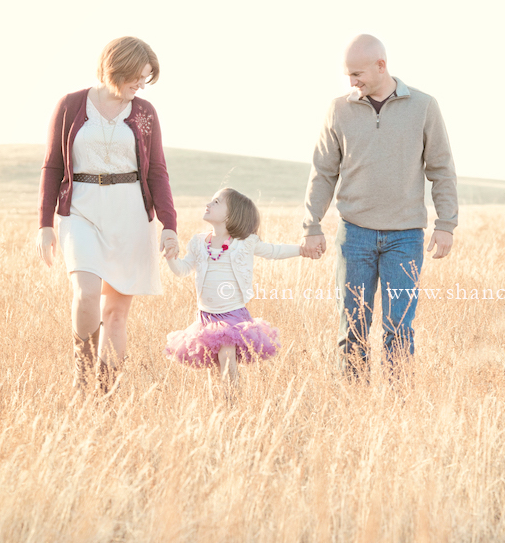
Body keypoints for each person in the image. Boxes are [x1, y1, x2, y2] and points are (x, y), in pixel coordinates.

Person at [302, 34, 458, 379]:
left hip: (405, 238)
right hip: (354, 234)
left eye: (357, 74)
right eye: (348, 75)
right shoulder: (339, 109)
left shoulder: (423, 106)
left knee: (398, 328)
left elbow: (442, 169)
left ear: (381, 65)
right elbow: (323, 172)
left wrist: (446, 223)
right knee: (353, 327)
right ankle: (355, 409)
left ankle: (397, 409)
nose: (352, 82)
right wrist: (311, 225)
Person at [37, 36, 178, 395]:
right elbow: (53, 166)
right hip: (81, 209)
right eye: (137, 77)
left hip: (130, 214)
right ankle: (82, 377)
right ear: (117, 68)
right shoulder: (71, 105)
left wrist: (169, 225)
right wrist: (45, 225)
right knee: (85, 293)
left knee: (115, 314)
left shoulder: (145, 113)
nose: (141, 86)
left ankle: (106, 393)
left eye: (146, 79)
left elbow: (157, 171)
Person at [164, 188, 309, 385]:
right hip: (207, 315)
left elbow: (274, 251)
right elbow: (182, 269)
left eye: (216, 202)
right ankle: (221, 401)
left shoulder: (244, 242)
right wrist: (171, 258)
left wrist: (302, 250)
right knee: (213, 363)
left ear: (232, 214)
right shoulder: (198, 242)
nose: (208, 204)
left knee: (226, 354)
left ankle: (233, 395)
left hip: (232, 313)